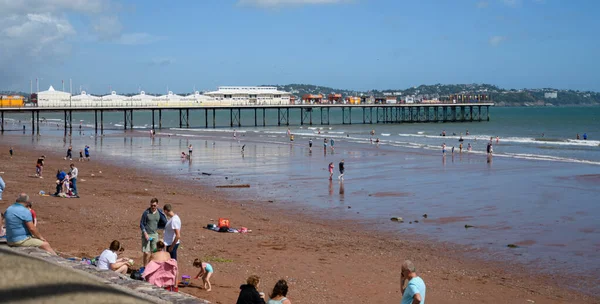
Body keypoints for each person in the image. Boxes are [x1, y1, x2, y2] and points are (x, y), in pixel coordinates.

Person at [140, 198, 167, 266]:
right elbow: (141, 224)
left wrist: (159, 227)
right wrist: (145, 233)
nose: (153, 207)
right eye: (151, 205)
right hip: (147, 234)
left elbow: (164, 221)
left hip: (154, 234)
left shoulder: (160, 212)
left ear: (157, 205)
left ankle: (151, 266)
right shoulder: (146, 212)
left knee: (154, 252)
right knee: (146, 252)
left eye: (154, 205)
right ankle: (144, 267)